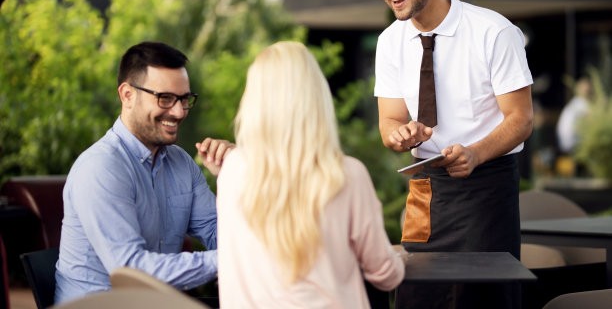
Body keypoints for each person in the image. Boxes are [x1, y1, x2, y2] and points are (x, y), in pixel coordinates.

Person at [367, 0, 534, 308]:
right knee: (416, 297)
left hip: (486, 189)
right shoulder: (390, 41)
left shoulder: (493, 31)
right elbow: (388, 121)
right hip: (424, 188)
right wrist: (398, 135)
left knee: (483, 300)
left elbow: (521, 119)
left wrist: (475, 152)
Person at [213, 41, 407, 308]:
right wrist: (398, 260)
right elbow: (385, 275)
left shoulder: (232, 171)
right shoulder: (347, 175)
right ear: (316, 97)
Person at [54, 42, 234, 304]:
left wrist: (233, 178)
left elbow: (221, 235)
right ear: (127, 95)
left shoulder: (181, 164)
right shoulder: (100, 168)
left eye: (184, 99)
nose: (178, 111)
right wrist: (232, 258)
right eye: (165, 98)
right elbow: (131, 270)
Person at [556, 76, 591, 154]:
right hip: (571, 144)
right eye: (587, 90)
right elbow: (592, 120)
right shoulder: (581, 102)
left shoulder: (574, 102)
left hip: (563, 143)